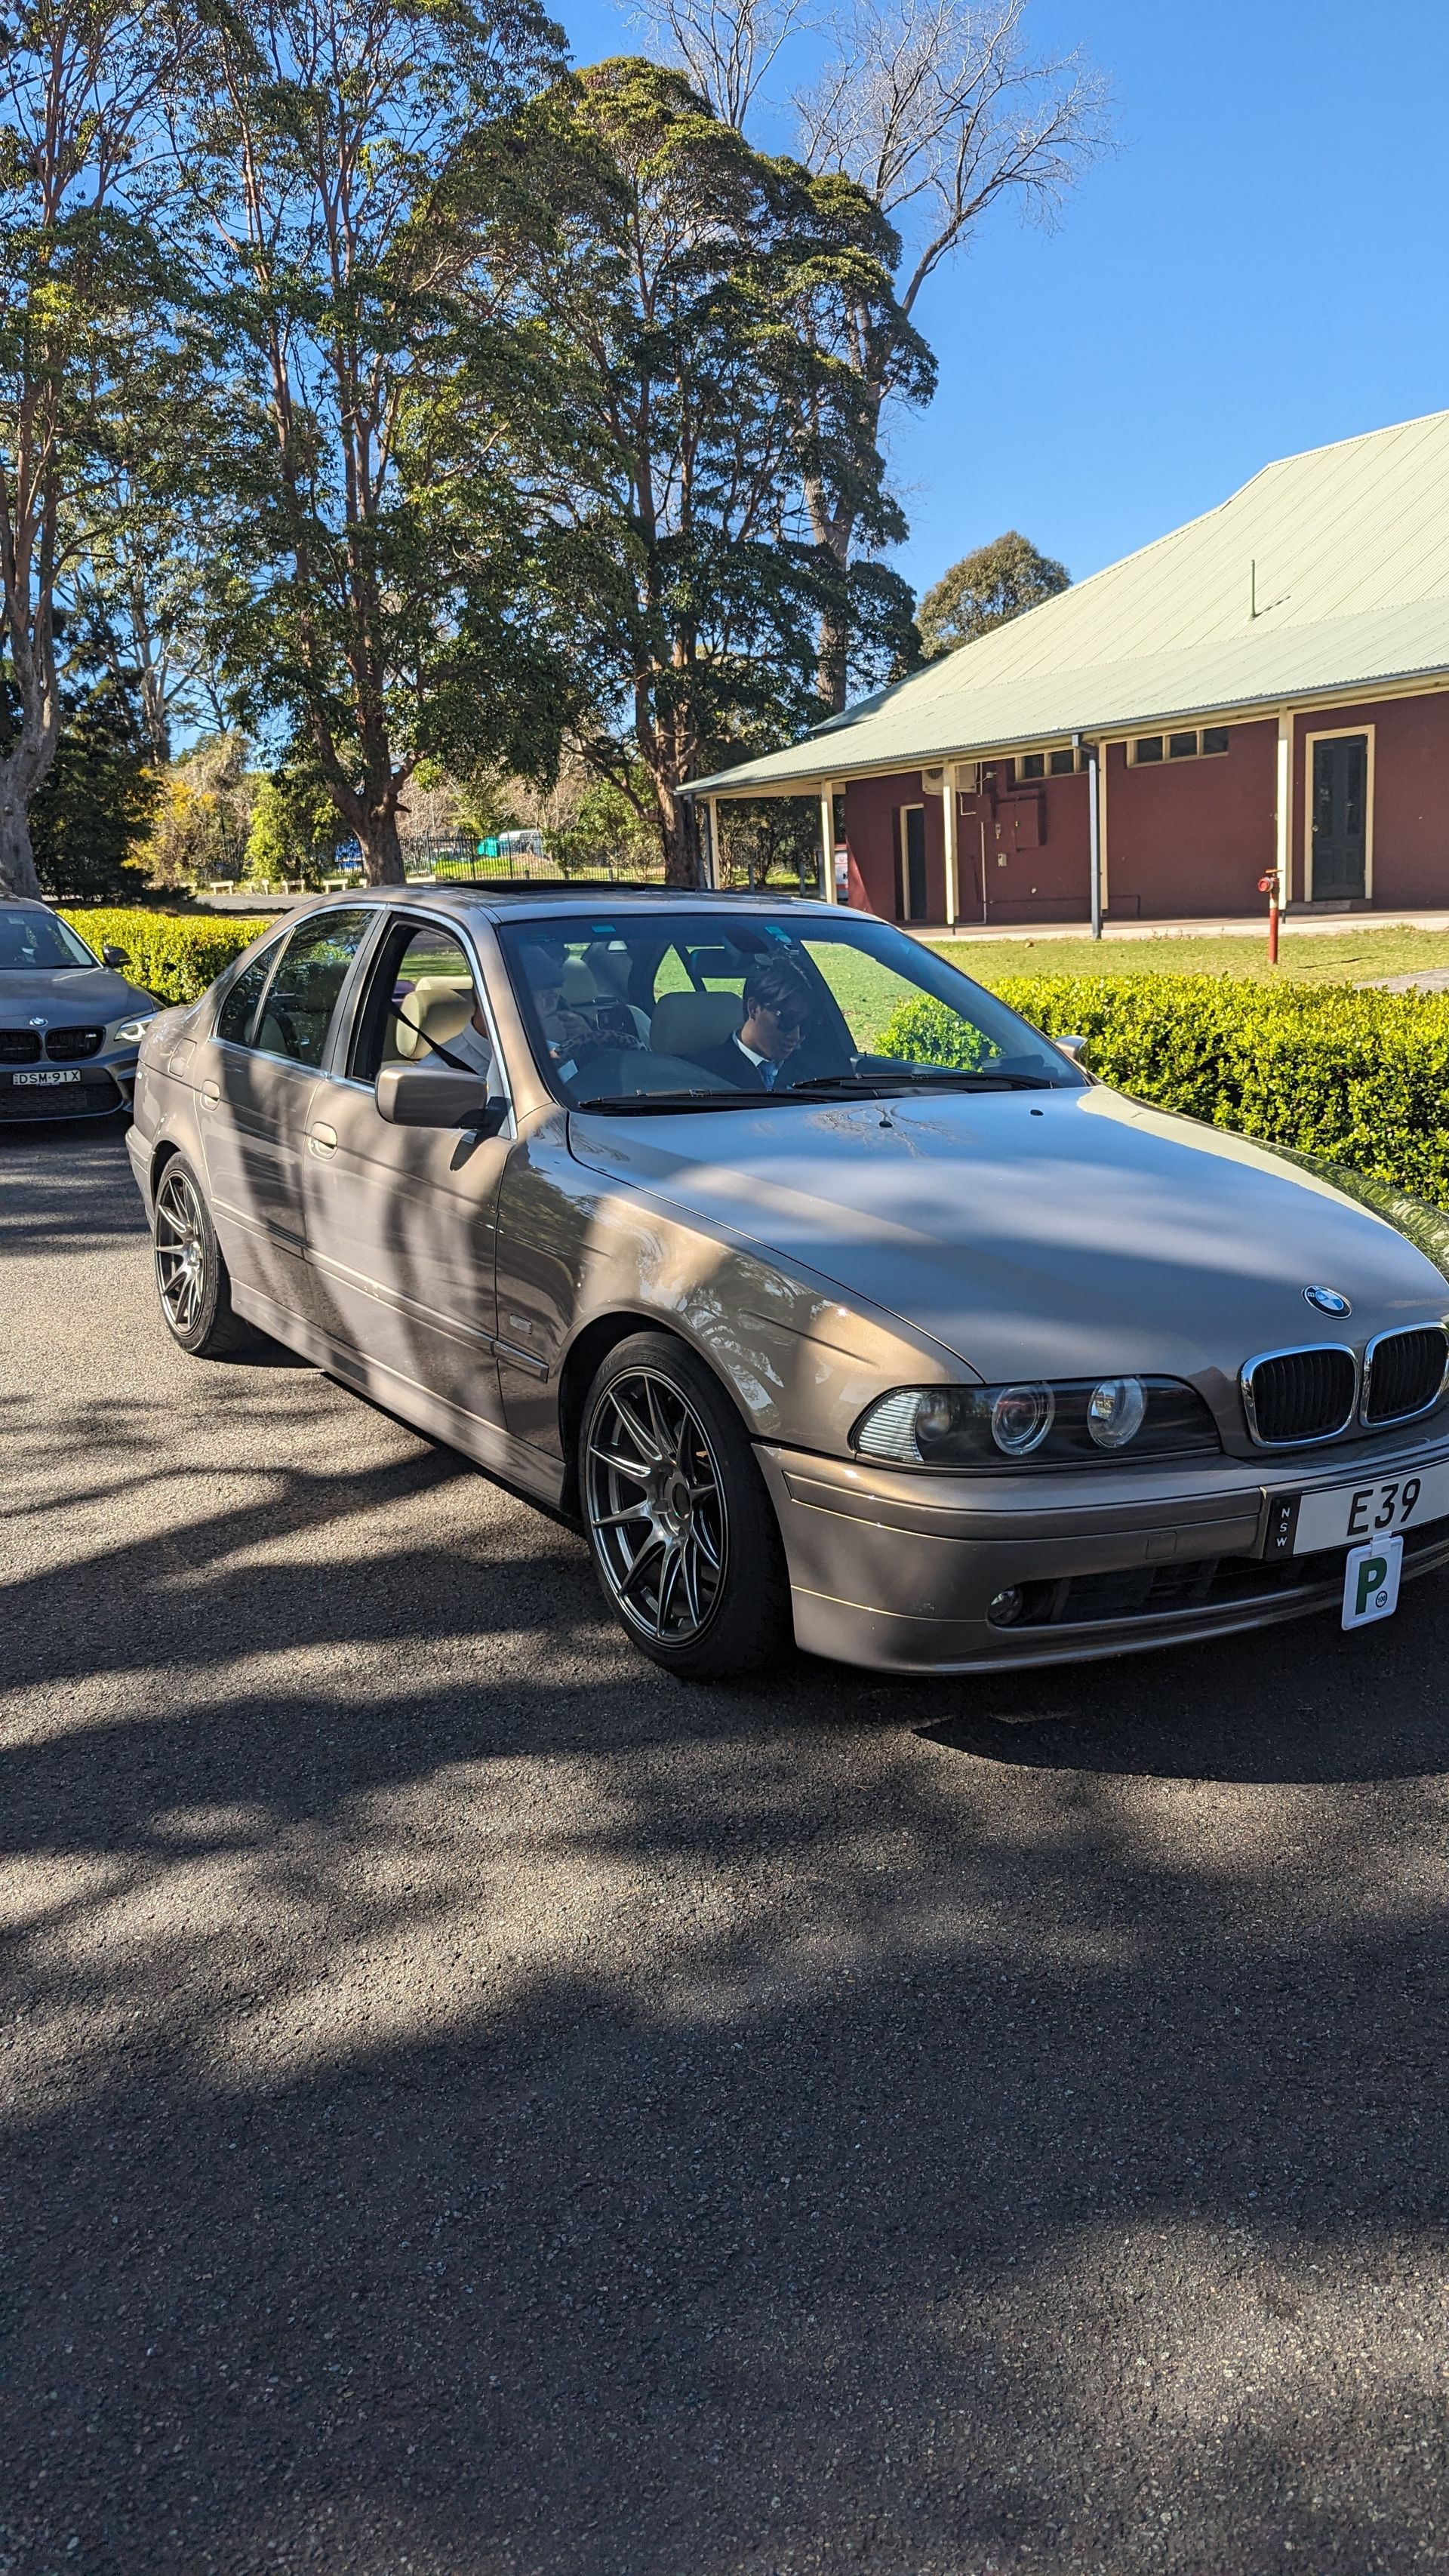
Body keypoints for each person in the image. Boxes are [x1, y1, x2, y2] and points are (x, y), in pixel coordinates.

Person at [688, 956, 815, 1091]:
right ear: (753, 1008)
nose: (796, 1036)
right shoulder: (701, 1072)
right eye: (787, 1020)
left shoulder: (818, 1072)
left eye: (805, 1024)